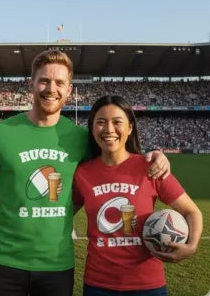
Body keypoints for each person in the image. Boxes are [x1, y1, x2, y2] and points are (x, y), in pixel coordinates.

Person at [0, 50, 170, 296]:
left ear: (69, 90)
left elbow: (116, 160)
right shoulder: (0, 133)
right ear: (31, 84)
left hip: (56, 265)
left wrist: (155, 157)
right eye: (44, 81)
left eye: (59, 82)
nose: (51, 88)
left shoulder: (81, 138)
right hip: (5, 261)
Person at [72, 95, 203, 296]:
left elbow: (191, 212)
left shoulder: (151, 167)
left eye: (117, 122)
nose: (108, 129)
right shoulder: (82, 173)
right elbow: (60, 215)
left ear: (130, 127)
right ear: (91, 128)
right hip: (98, 284)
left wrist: (192, 246)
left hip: (147, 285)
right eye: (100, 122)